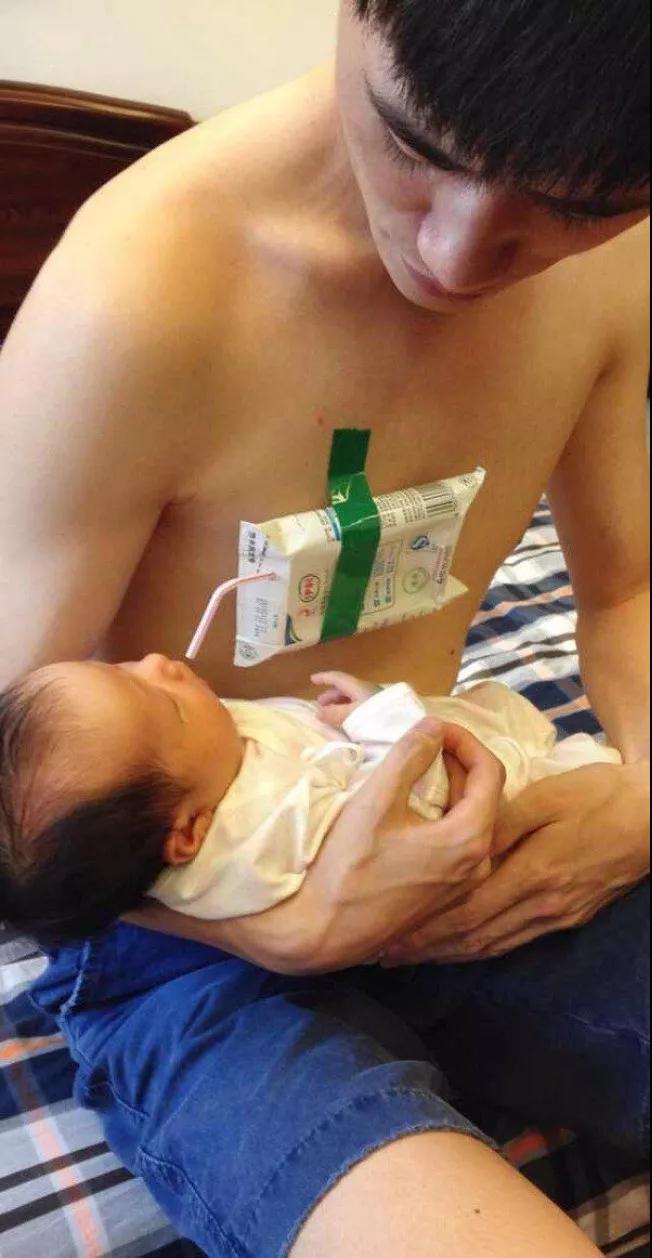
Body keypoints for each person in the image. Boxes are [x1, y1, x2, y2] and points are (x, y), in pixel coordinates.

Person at [0, 1, 649, 1254]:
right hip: (183, 932)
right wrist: (275, 928)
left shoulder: (621, 269)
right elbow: (7, 814)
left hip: (476, 837)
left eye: (574, 207)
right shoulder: (135, 296)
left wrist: (642, 796)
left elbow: (624, 591)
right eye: (417, 143)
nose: (458, 257)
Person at [0, 656, 621, 941]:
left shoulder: (198, 770)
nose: (161, 662)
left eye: (119, 665)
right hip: (499, 797)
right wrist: (381, 719)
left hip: (470, 740)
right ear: (189, 834)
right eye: (166, 705)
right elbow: (407, 817)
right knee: (593, 777)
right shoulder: (253, 840)